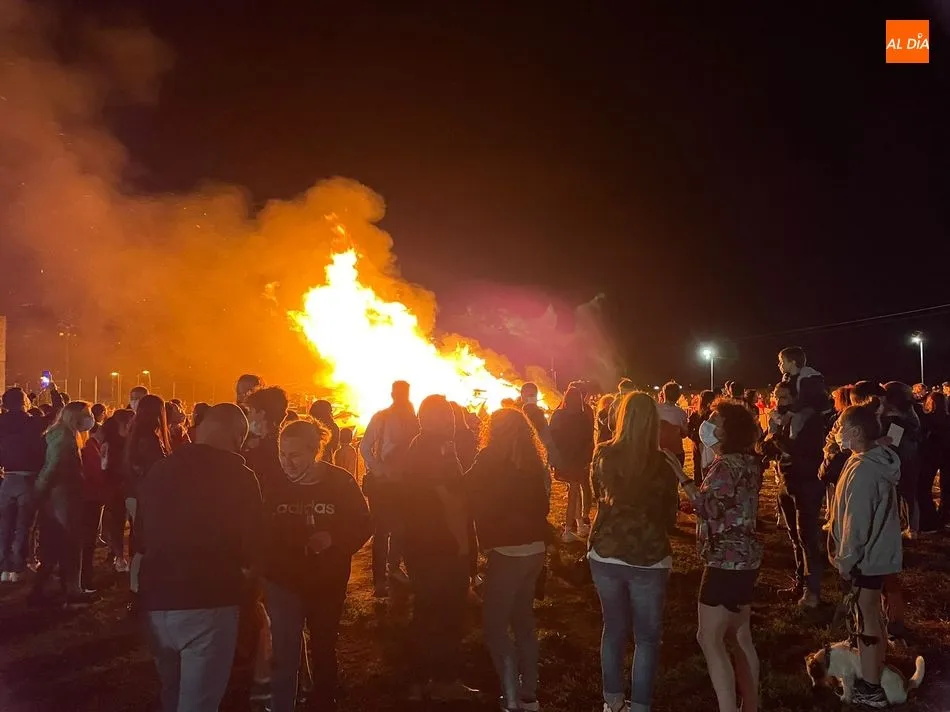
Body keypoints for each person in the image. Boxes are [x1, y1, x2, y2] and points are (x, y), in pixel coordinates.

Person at [138, 404, 263, 712]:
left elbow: (141, 533)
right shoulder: (239, 475)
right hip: (210, 600)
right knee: (199, 703)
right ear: (237, 437)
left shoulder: (161, 468)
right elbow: (255, 542)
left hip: (158, 600)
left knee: (172, 691)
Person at [265, 420, 371, 712]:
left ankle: (325, 700)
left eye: (295, 455)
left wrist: (334, 538)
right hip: (283, 582)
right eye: (282, 454)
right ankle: (283, 704)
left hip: (327, 582)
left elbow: (363, 523)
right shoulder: (272, 484)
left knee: (324, 646)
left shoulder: (340, 482)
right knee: (284, 652)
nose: (287, 463)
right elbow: (257, 529)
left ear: (316, 451)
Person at [588, 392, 679, 712]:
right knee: (646, 638)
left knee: (613, 629)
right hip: (648, 557)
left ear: (621, 417)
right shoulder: (664, 463)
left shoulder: (603, 453)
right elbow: (670, 516)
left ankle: (612, 702)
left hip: (606, 552)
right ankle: (639, 705)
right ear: (654, 422)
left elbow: (597, 497)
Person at [672, 400, 763, 712]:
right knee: (740, 635)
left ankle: (727, 707)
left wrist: (679, 474)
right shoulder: (750, 462)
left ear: (728, 431)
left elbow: (709, 506)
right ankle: (751, 705)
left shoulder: (724, 467)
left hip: (725, 559)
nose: (707, 423)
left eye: (714, 419)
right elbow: (729, 504)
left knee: (708, 638)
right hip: (747, 557)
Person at [465, 408, 550, 712]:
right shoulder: (534, 462)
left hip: (506, 552)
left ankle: (511, 696)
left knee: (495, 625)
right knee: (524, 620)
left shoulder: (488, 460)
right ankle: (529, 694)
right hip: (535, 550)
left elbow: (466, 493)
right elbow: (544, 505)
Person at [402, 395, 476, 701]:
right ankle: (446, 681)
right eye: (443, 416)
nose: (450, 420)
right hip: (443, 548)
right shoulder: (441, 449)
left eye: (449, 415)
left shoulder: (416, 446)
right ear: (426, 419)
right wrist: (463, 547)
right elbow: (450, 501)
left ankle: (418, 682)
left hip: (418, 545)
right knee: (448, 615)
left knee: (424, 612)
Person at [828, 404, 903, 709]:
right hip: (873, 554)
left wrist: (846, 561)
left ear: (856, 432)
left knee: (867, 619)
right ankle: (873, 670)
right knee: (869, 615)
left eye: (841, 427)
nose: (838, 432)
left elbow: (856, 523)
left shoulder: (863, 470)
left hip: (865, 558)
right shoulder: (864, 460)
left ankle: (870, 687)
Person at [240, 386, 290, 706]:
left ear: (261, 415)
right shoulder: (285, 448)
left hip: (266, 543)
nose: (248, 419)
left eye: (250, 412)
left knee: (265, 611)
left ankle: (267, 678)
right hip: (281, 541)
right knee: (281, 612)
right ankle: (293, 677)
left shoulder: (264, 453)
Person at [759, 381, 827, 608]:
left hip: (806, 482)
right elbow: (767, 447)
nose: (780, 402)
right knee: (794, 537)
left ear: (798, 397)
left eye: (785, 397)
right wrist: (767, 442)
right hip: (786, 480)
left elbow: (800, 450)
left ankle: (813, 591)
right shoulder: (783, 419)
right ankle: (800, 582)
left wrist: (777, 437)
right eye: (777, 397)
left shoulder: (811, 420)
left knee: (807, 537)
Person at [30, 401, 98, 606]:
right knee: (69, 543)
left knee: (55, 545)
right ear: (73, 416)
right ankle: (71, 590)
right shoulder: (64, 437)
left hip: (60, 496)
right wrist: (40, 491)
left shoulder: (65, 434)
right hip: (63, 497)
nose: (90, 418)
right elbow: (52, 466)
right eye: (86, 414)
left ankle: (41, 591)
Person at [359, 380, 418, 597]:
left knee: (402, 528)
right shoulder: (381, 418)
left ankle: (393, 568)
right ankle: (379, 581)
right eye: (399, 393)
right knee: (382, 532)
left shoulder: (414, 419)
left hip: (404, 484)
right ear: (393, 394)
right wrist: (380, 469)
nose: (402, 396)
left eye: (406, 393)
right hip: (383, 485)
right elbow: (364, 446)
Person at [0, 387, 53, 583]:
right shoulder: (34, 423)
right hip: (28, 479)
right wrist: (54, 392)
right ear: (25, 402)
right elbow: (58, 412)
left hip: (7, 478)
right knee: (24, 525)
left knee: (4, 525)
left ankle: (4, 567)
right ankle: (17, 566)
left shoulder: (1, 422)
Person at [124, 394, 171, 610]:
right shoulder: (149, 438)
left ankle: (137, 588)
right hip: (145, 496)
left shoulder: (137, 433)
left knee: (140, 542)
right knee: (143, 544)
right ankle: (138, 589)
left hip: (137, 493)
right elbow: (156, 468)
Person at [549, 386, 595, 542]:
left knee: (573, 492)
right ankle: (570, 529)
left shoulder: (558, 415)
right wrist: (586, 459)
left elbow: (552, 438)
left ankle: (578, 524)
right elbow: (589, 440)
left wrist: (553, 458)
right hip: (577, 460)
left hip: (564, 460)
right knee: (574, 492)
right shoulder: (583, 417)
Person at [881, 382, 922, 539]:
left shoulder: (896, 416)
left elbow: (893, 441)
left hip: (902, 458)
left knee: (904, 493)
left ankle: (910, 527)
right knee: (910, 493)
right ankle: (912, 526)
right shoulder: (910, 411)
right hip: (912, 455)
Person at [101, 409, 134, 572]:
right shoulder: (111, 443)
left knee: (126, 523)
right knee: (117, 522)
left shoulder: (132, 440)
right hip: (116, 485)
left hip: (124, 485)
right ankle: (119, 556)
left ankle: (122, 556)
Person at [80, 419, 109, 591]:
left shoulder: (89, 446)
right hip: (90, 498)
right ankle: (84, 580)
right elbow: (96, 473)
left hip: (90, 497)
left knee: (87, 540)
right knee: (87, 541)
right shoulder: (90, 448)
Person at [777, 346, 830, 439]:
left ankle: (791, 442)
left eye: (782, 362)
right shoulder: (787, 379)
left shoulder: (808, 377)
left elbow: (804, 399)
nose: (779, 365)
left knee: (797, 421)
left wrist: (789, 414)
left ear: (792, 362)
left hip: (811, 415)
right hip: (795, 414)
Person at [918, 390, 949, 532]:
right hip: (947, 454)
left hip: (930, 456)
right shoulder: (947, 418)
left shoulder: (927, 419)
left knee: (924, 487)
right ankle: (945, 516)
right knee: (946, 487)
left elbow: (921, 436)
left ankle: (930, 519)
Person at [688, 390, 716, 485]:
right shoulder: (709, 414)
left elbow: (689, 429)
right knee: (705, 464)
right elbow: (689, 429)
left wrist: (694, 438)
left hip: (703, 443)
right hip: (706, 443)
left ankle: (700, 484)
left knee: (700, 464)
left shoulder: (699, 414)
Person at [657, 381, 688, 465]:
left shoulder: (655, 409)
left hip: (659, 451)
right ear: (678, 396)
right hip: (676, 451)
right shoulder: (682, 413)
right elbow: (684, 434)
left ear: (663, 394)